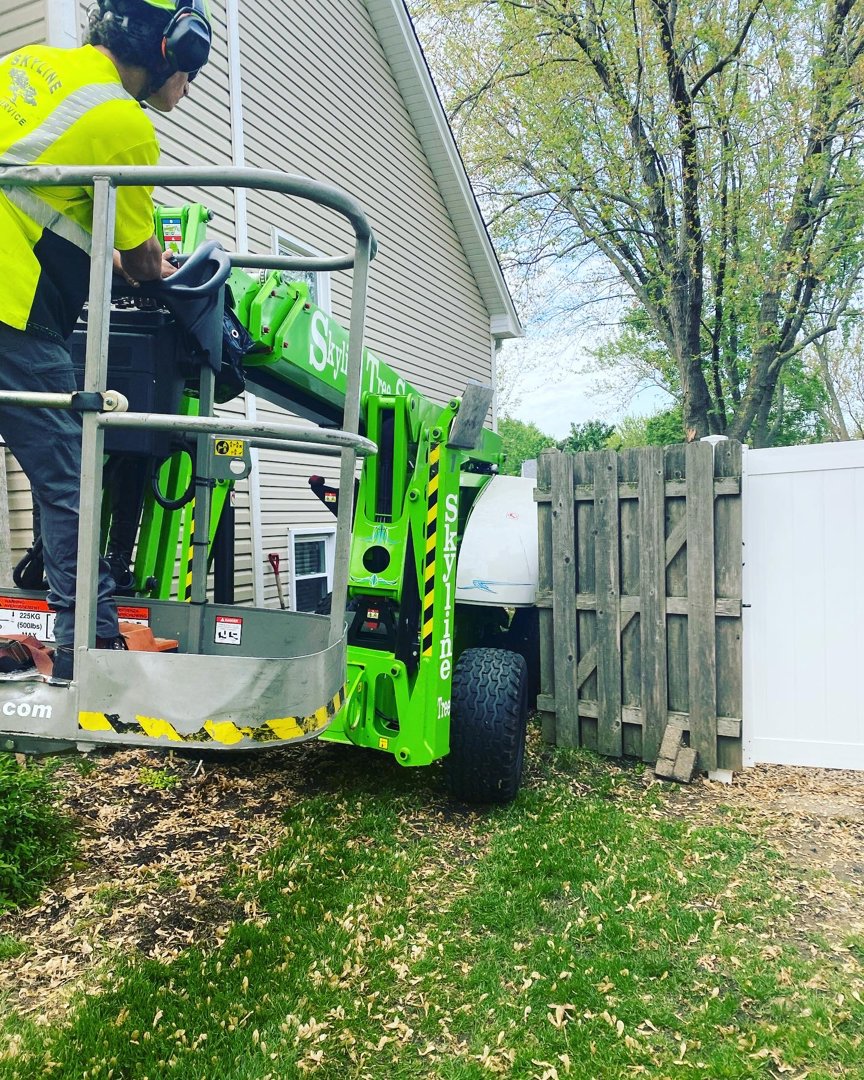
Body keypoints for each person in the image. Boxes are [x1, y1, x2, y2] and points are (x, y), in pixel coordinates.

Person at [0, 0, 212, 682]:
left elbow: (48, 199)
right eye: (192, 71)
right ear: (171, 49)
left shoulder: (28, 64)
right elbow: (145, 260)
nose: (189, 86)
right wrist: (160, 270)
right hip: (11, 307)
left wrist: (119, 260)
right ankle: (85, 655)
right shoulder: (124, 121)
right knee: (70, 479)